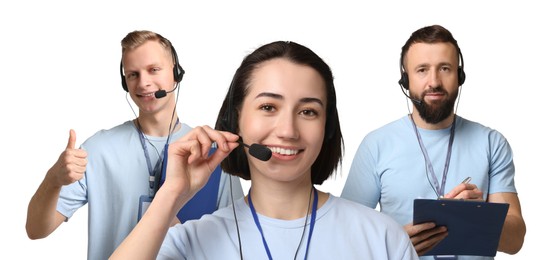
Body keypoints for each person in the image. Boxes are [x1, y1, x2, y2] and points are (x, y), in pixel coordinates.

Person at [110, 40, 419, 260]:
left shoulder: (382, 238)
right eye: (268, 107)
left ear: (327, 128)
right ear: (236, 120)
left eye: (308, 111)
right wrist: (172, 194)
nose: (287, 131)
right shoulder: (190, 242)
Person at [25, 30, 244, 260]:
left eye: (153, 70)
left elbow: (238, 242)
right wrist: (53, 180)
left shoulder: (211, 152)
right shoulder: (99, 150)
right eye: (132, 74)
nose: (143, 83)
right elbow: (36, 230)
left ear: (176, 73)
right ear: (124, 82)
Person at [341, 24, 526, 259]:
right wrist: (394, 243)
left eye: (445, 68)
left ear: (460, 77)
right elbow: (345, 236)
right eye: (422, 70)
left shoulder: (492, 143)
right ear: (405, 80)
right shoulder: (376, 145)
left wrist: (479, 215)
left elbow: (516, 240)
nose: (434, 82)